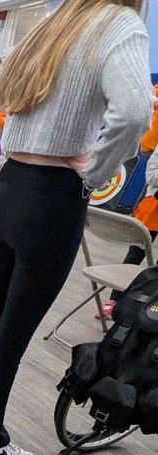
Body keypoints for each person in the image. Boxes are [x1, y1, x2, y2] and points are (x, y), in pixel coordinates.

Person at [0, 0, 153, 455]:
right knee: (13, 328)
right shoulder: (118, 24)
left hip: (9, 187)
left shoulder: (51, 27)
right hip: (52, 197)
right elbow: (136, 111)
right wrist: (94, 174)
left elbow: (2, 94)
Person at [99, 81, 158, 319]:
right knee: (135, 254)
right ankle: (115, 299)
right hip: (153, 206)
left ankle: (148, 309)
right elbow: (152, 173)